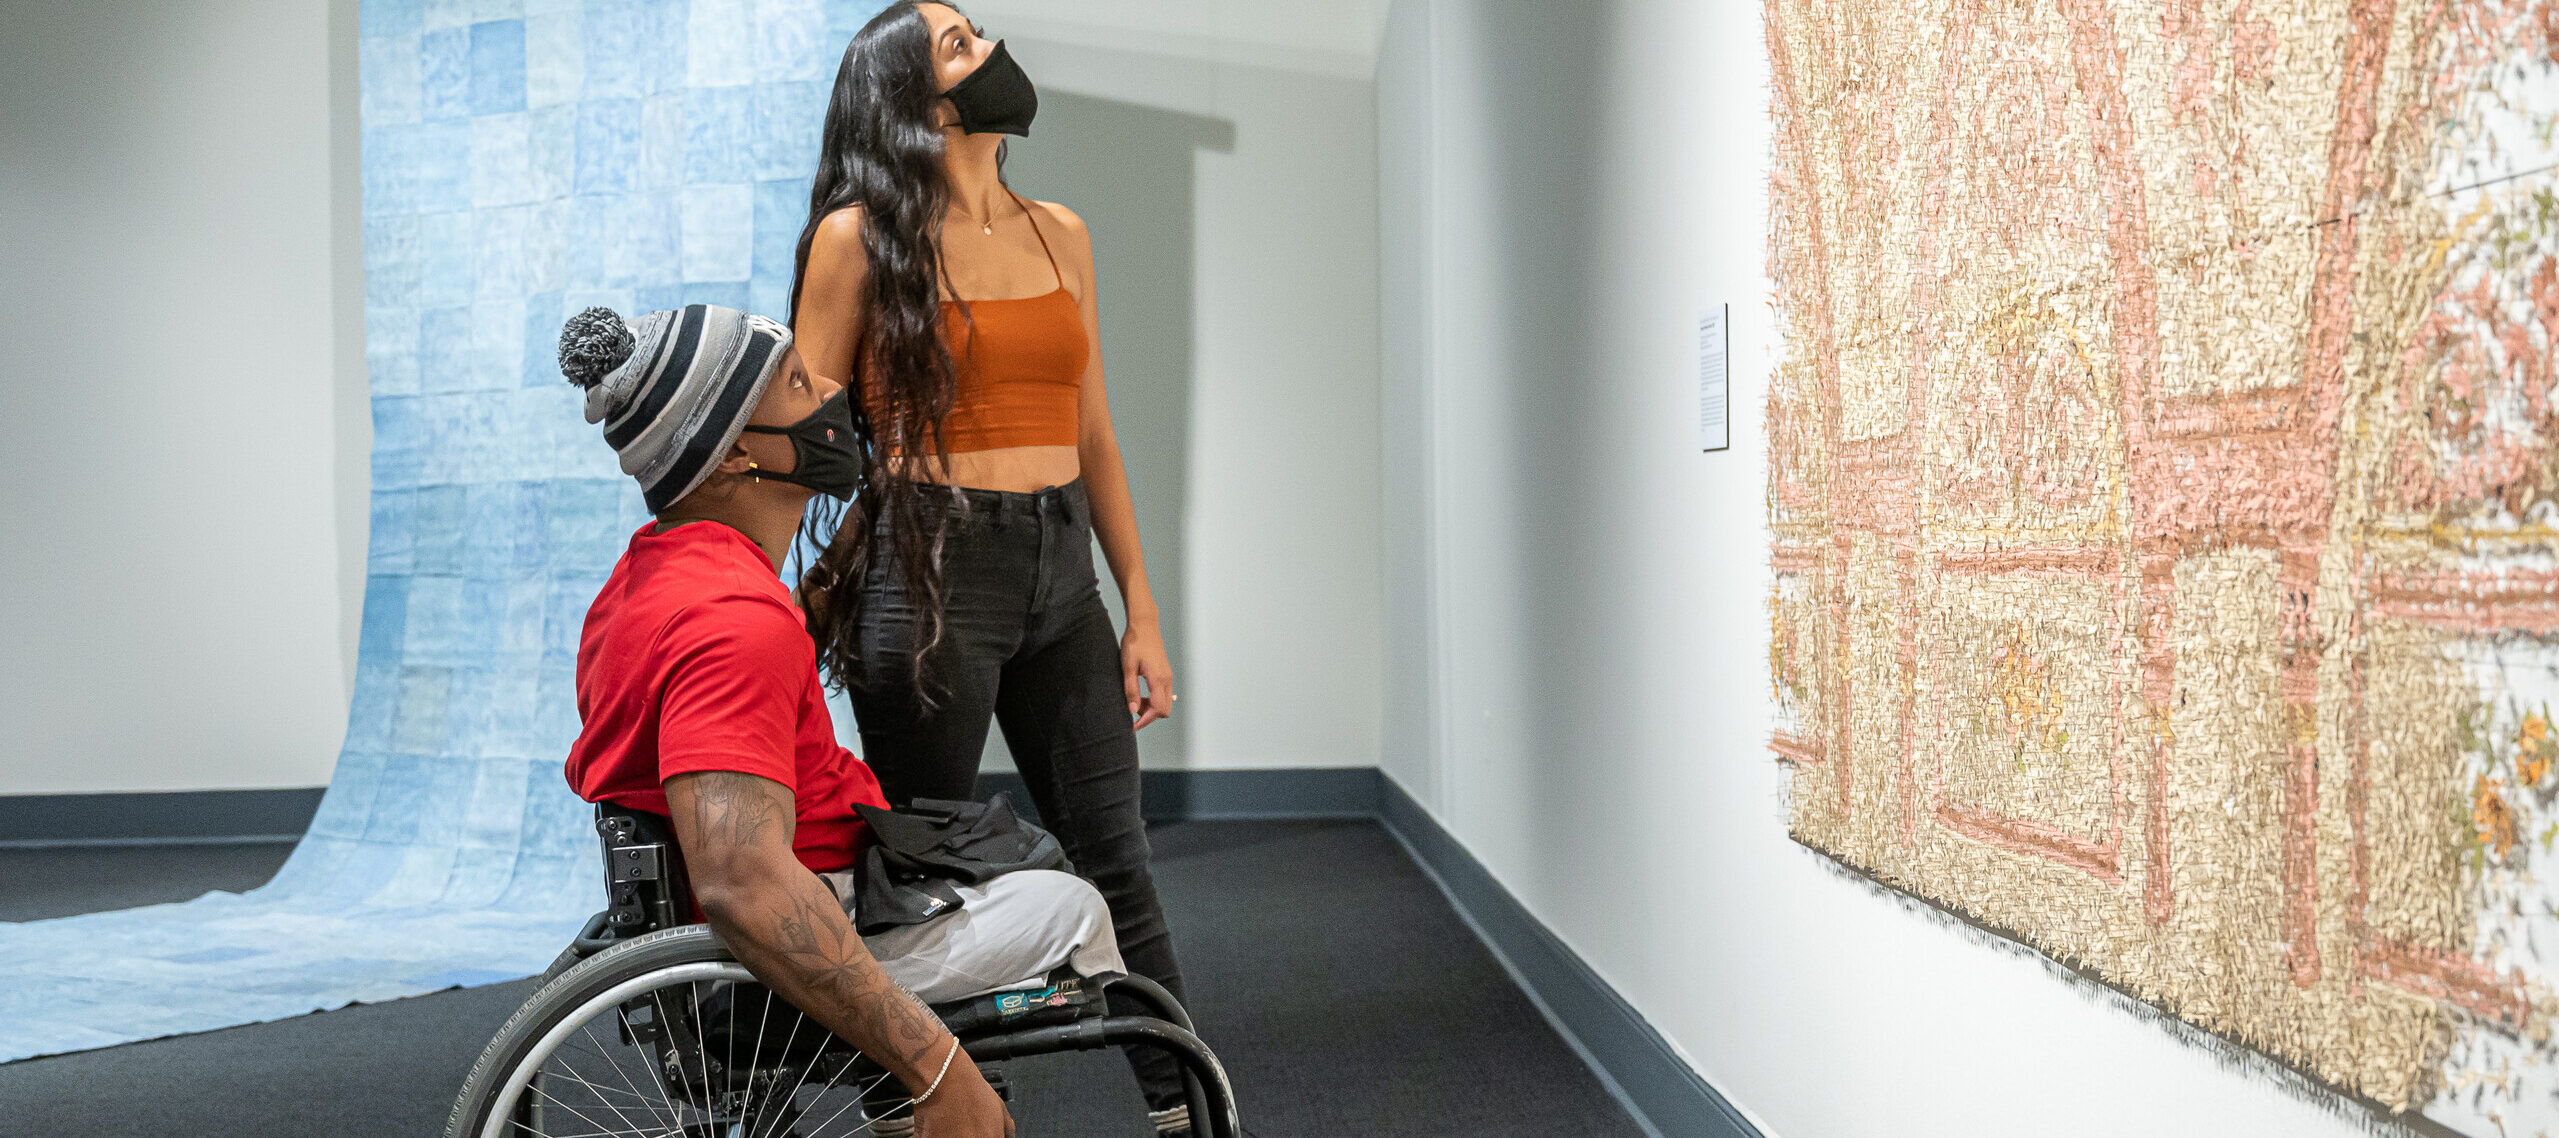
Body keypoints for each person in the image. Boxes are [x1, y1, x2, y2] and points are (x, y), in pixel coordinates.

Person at [553, 301, 1125, 1138]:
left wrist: (864, 526)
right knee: (1071, 907)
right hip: (805, 920)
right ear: (739, 451)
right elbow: (743, 882)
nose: (827, 388)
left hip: (765, 900)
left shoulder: (651, 583)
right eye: (795, 382)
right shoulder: (730, 620)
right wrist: (936, 1067)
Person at [784, 5, 1196, 1133]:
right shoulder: (859, 240)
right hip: (925, 578)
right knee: (935, 887)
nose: (988, 45)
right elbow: (806, 437)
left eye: (975, 27)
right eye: (959, 45)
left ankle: (1183, 1111)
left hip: (1061, 575)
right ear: (918, 103)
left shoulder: (1061, 228)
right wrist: (764, 601)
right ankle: (956, 1115)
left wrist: (1143, 612)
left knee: (1119, 859)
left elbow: (1097, 430)